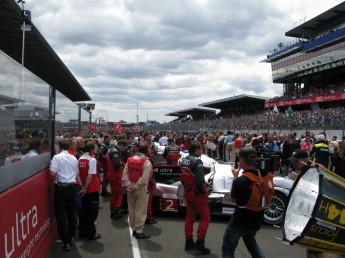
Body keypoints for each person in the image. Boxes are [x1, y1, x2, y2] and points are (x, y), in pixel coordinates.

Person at [222, 147, 273, 258]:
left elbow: (232, 198)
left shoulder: (241, 181)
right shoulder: (265, 177)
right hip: (257, 219)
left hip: (240, 220)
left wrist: (235, 176)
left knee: (227, 249)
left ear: (241, 161)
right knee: (252, 244)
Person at [287, 149, 330, 258]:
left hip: (318, 215)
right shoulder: (303, 172)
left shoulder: (318, 169)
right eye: (293, 162)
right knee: (308, 245)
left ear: (305, 160)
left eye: (296, 162)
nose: (294, 164)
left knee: (317, 249)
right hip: (307, 215)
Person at [180, 141, 211, 254]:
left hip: (188, 192)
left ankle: (188, 242)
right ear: (196, 150)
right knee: (205, 217)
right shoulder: (198, 161)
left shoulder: (184, 160)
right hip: (197, 194)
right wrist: (205, 191)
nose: (202, 151)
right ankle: (200, 242)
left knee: (189, 217)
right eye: (201, 149)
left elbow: (182, 177)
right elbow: (200, 180)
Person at [50, 138, 80, 251]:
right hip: (72, 187)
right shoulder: (73, 157)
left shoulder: (57, 157)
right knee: (71, 213)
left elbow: (52, 173)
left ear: (60, 146)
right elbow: (76, 173)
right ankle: (71, 237)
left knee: (61, 215)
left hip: (62, 188)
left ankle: (65, 241)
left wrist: (51, 168)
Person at [122, 142, 152, 239]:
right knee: (141, 209)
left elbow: (125, 174)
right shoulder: (147, 162)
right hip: (140, 189)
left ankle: (134, 229)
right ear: (147, 151)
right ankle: (139, 231)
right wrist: (135, 186)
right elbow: (144, 179)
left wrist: (129, 184)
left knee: (131, 209)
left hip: (130, 188)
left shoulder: (129, 160)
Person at [78, 141, 101, 240]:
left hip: (84, 188)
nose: (97, 149)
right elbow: (90, 176)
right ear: (91, 149)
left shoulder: (80, 158)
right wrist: (85, 187)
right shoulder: (92, 160)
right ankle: (91, 233)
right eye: (95, 148)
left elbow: (77, 174)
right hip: (92, 188)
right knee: (92, 212)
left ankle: (82, 232)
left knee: (84, 211)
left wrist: (82, 187)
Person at [107, 139, 127, 219]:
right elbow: (117, 165)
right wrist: (123, 165)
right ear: (121, 145)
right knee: (119, 193)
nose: (124, 149)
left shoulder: (112, 149)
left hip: (112, 175)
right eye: (124, 147)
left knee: (114, 194)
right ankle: (115, 211)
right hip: (115, 175)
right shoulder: (115, 152)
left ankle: (114, 211)